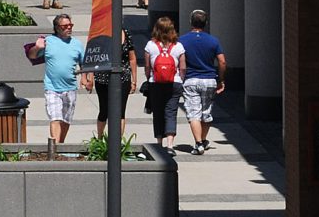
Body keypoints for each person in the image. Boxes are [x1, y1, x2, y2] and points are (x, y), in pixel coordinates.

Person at [30, 13, 84, 144]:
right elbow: (32, 56)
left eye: (70, 25)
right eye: (65, 26)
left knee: (66, 120)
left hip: (70, 88)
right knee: (55, 118)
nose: (69, 28)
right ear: (57, 27)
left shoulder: (77, 44)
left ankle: (60, 145)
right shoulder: (48, 42)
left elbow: (84, 64)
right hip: (52, 88)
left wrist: (86, 78)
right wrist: (37, 47)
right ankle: (54, 148)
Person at [180, 9, 227, 155]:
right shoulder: (213, 41)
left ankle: (199, 143)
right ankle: (203, 139)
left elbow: (179, 61)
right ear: (206, 23)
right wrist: (221, 79)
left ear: (191, 22)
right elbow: (222, 61)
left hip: (191, 80)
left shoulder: (182, 40)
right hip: (209, 80)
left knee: (193, 113)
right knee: (206, 112)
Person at [82, 26, 137, 138]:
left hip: (123, 77)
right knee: (104, 110)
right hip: (103, 78)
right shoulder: (101, 32)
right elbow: (95, 57)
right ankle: (100, 139)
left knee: (120, 112)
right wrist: (90, 78)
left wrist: (134, 80)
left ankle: (117, 142)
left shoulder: (126, 33)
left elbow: (132, 58)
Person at [143, 15, 185, 150]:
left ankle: (159, 143)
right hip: (174, 83)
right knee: (171, 112)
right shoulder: (178, 46)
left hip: (156, 83)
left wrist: (149, 77)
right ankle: (170, 145)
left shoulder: (150, 45)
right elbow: (183, 67)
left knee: (158, 113)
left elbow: (147, 66)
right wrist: (181, 79)